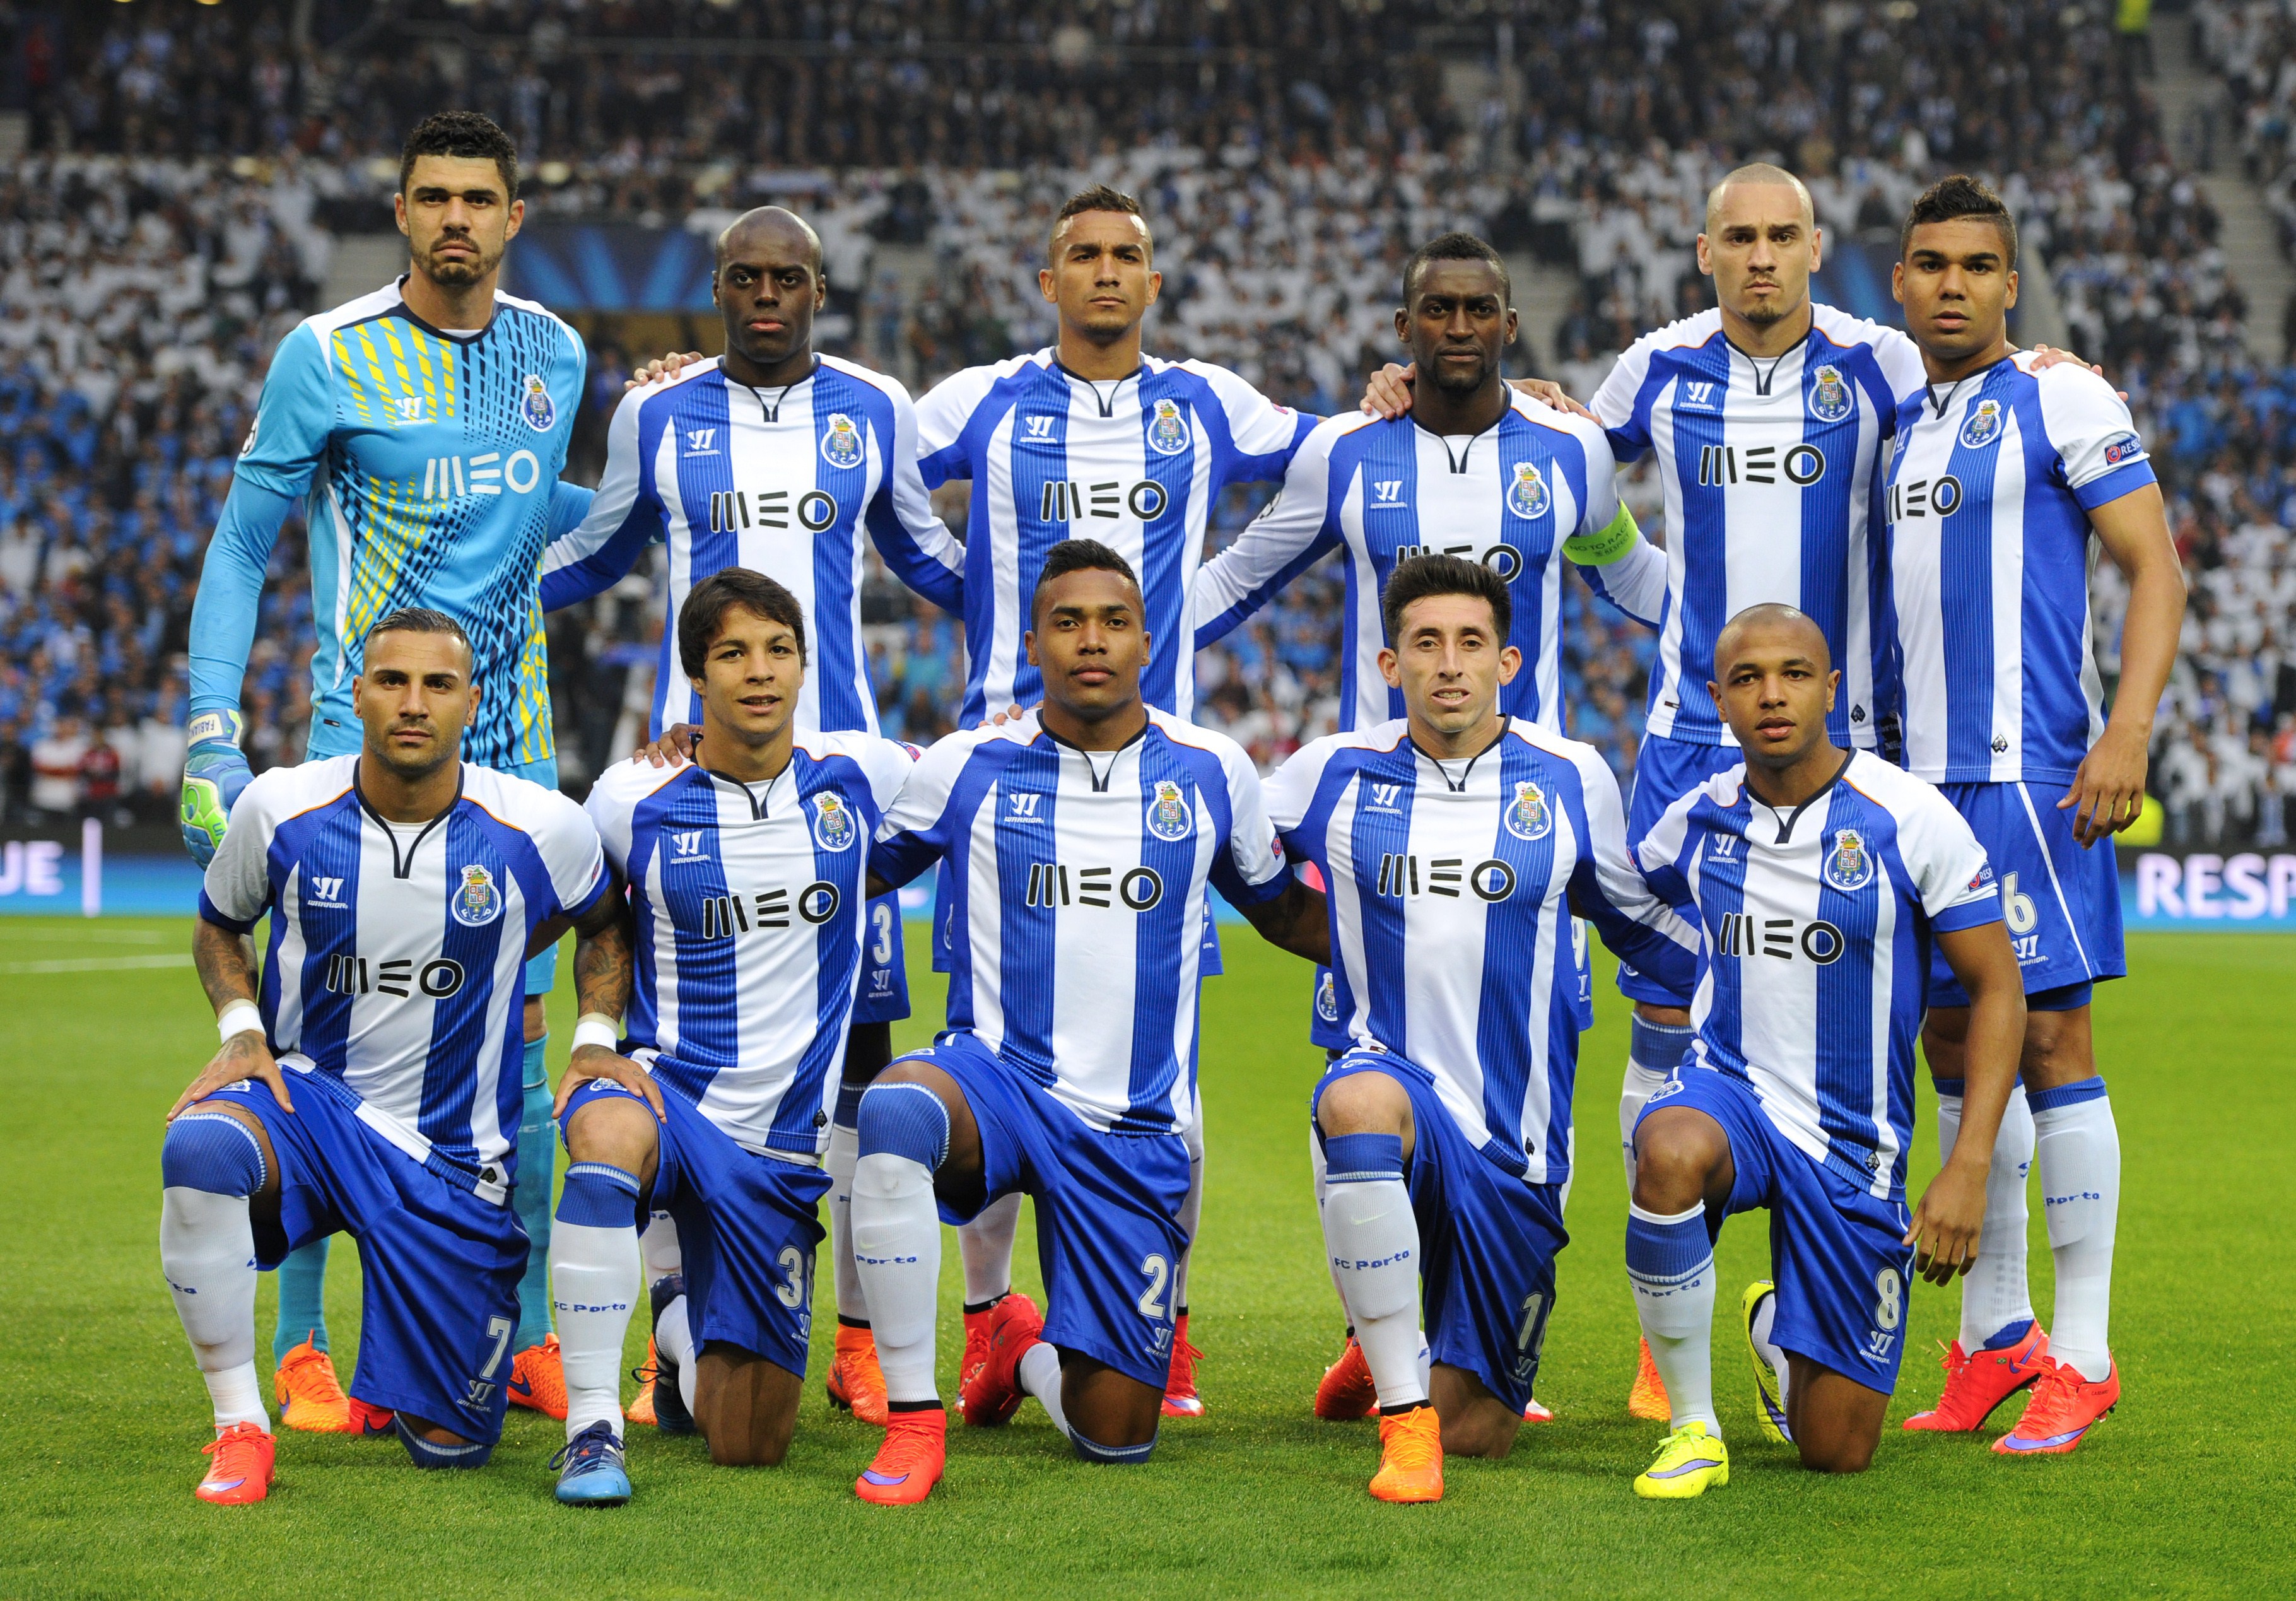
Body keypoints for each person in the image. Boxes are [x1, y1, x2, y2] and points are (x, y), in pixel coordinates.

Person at [1368, 163, 2095, 1421]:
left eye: (1781, 238)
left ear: (1815, 249)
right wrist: (1677, 612)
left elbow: (1985, 376)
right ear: (1701, 254)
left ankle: (1989, 1321)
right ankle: (1674, 1334)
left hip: (1844, 741)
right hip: (1685, 743)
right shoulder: (1650, 372)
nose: (1759, 258)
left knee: (1886, 1037)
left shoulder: (1876, 364)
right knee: (1663, 1019)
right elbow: (1578, 505)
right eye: (1736, 240)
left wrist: (2052, 371)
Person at [1190, 232, 1666, 1422]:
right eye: (1436, 310)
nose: (1458, 327)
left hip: (1526, 836)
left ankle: (1474, 1327)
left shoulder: (1571, 454)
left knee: (1523, 1092)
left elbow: (1640, 579)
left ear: (1511, 324)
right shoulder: (1346, 456)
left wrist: (1767, 663)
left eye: (1480, 310)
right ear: (1404, 329)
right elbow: (1229, 579)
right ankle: (1380, 1332)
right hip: (1375, 836)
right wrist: (1084, 677)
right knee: (1357, 1079)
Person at [178, 110, 601, 1429]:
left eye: (480, 196)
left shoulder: (556, 354)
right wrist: (206, 726)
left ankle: (526, 1334)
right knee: (320, 1050)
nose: (456, 218)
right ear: (402, 211)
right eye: (433, 196)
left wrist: (673, 444)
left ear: (514, 218)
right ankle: (304, 1345)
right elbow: (244, 547)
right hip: (356, 747)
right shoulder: (327, 356)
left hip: (515, 748)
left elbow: (542, 518)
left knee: (519, 1057)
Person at [537, 205, 964, 1431]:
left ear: (820, 290)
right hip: (693, 773)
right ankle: (677, 1317)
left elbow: (939, 566)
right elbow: (600, 551)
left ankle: (856, 1344)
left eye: (788, 278)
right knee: (682, 1053)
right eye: (745, 278)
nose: (766, 295)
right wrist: (471, 584)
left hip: (835, 784)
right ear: (716, 291)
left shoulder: (875, 408)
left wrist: (1077, 609)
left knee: (859, 1045)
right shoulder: (655, 413)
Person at [843, 539, 1327, 1503]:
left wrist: (1420, 938)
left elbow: (1281, 910)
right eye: (1067, 622)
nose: (1090, 641)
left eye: (1113, 621)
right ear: (1033, 642)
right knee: (896, 1112)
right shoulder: (967, 766)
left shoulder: (1210, 769)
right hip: (998, 1083)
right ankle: (911, 1419)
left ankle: (1021, 1348)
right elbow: (845, 867)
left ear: (1149, 639)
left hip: (1133, 1129)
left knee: (1116, 1437)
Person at [1262, 554, 1698, 1501]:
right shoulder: (1329, 774)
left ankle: (1401, 1368)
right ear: (1389, 663)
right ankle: (1400, 1412)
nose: (1448, 663)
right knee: (1359, 1097)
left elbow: (1642, 927)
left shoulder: (1572, 777)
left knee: (1483, 1433)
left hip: (1520, 1151)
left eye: (1470, 643)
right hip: (1397, 1093)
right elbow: (1217, 840)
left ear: (1507, 661)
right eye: (1426, 643)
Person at [158, 609, 618, 1505]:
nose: (414, 703)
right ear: (356, 694)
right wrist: (241, 1028)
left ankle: (407, 1369)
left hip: (451, 1167)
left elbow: (606, 927)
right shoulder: (281, 808)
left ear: (472, 702)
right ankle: (240, 1426)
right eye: (393, 681)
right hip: (312, 1117)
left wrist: (594, 1037)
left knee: (451, 1447)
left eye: (438, 684)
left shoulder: (538, 828)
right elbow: (220, 924)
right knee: (200, 1148)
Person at [1880, 175, 2184, 1454]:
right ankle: (1992, 1340)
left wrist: (2124, 731)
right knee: (1957, 1055)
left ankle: (2084, 1352)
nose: (1950, 283)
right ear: (1896, 284)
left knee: (2053, 1042)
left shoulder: (2058, 390)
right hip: (1916, 783)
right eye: (1928, 263)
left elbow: (2152, 565)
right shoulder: (1901, 420)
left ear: (2009, 285)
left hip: (2026, 773)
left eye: (1974, 265)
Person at [1625, 603, 2026, 1498]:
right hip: (1732, 1095)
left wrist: (1966, 1166)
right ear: (1719, 700)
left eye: (1796, 674)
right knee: (1666, 1149)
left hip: (1856, 1143)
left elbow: (1999, 986)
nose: (1774, 695)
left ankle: (1777, 1325)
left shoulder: (1908, 817)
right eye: (1748, 678)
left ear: (1831, 689)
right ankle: (1692, 1425)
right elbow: (1623, 899)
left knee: (1834, 1450)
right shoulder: (1696, 817)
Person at [544, 569, 917, 1504]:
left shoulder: (864, 777)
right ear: (696, 678)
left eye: (778, 650)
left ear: (803, 667)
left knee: (746, 1440)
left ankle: (674, 1326)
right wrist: (594, 1035)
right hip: (668, 1100)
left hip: (784, 1149)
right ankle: (591, 1426)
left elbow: (983, 774)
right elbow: (597, 919)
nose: (760, 671)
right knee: (602, 1128)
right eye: (733, 653)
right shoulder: (631, 797)